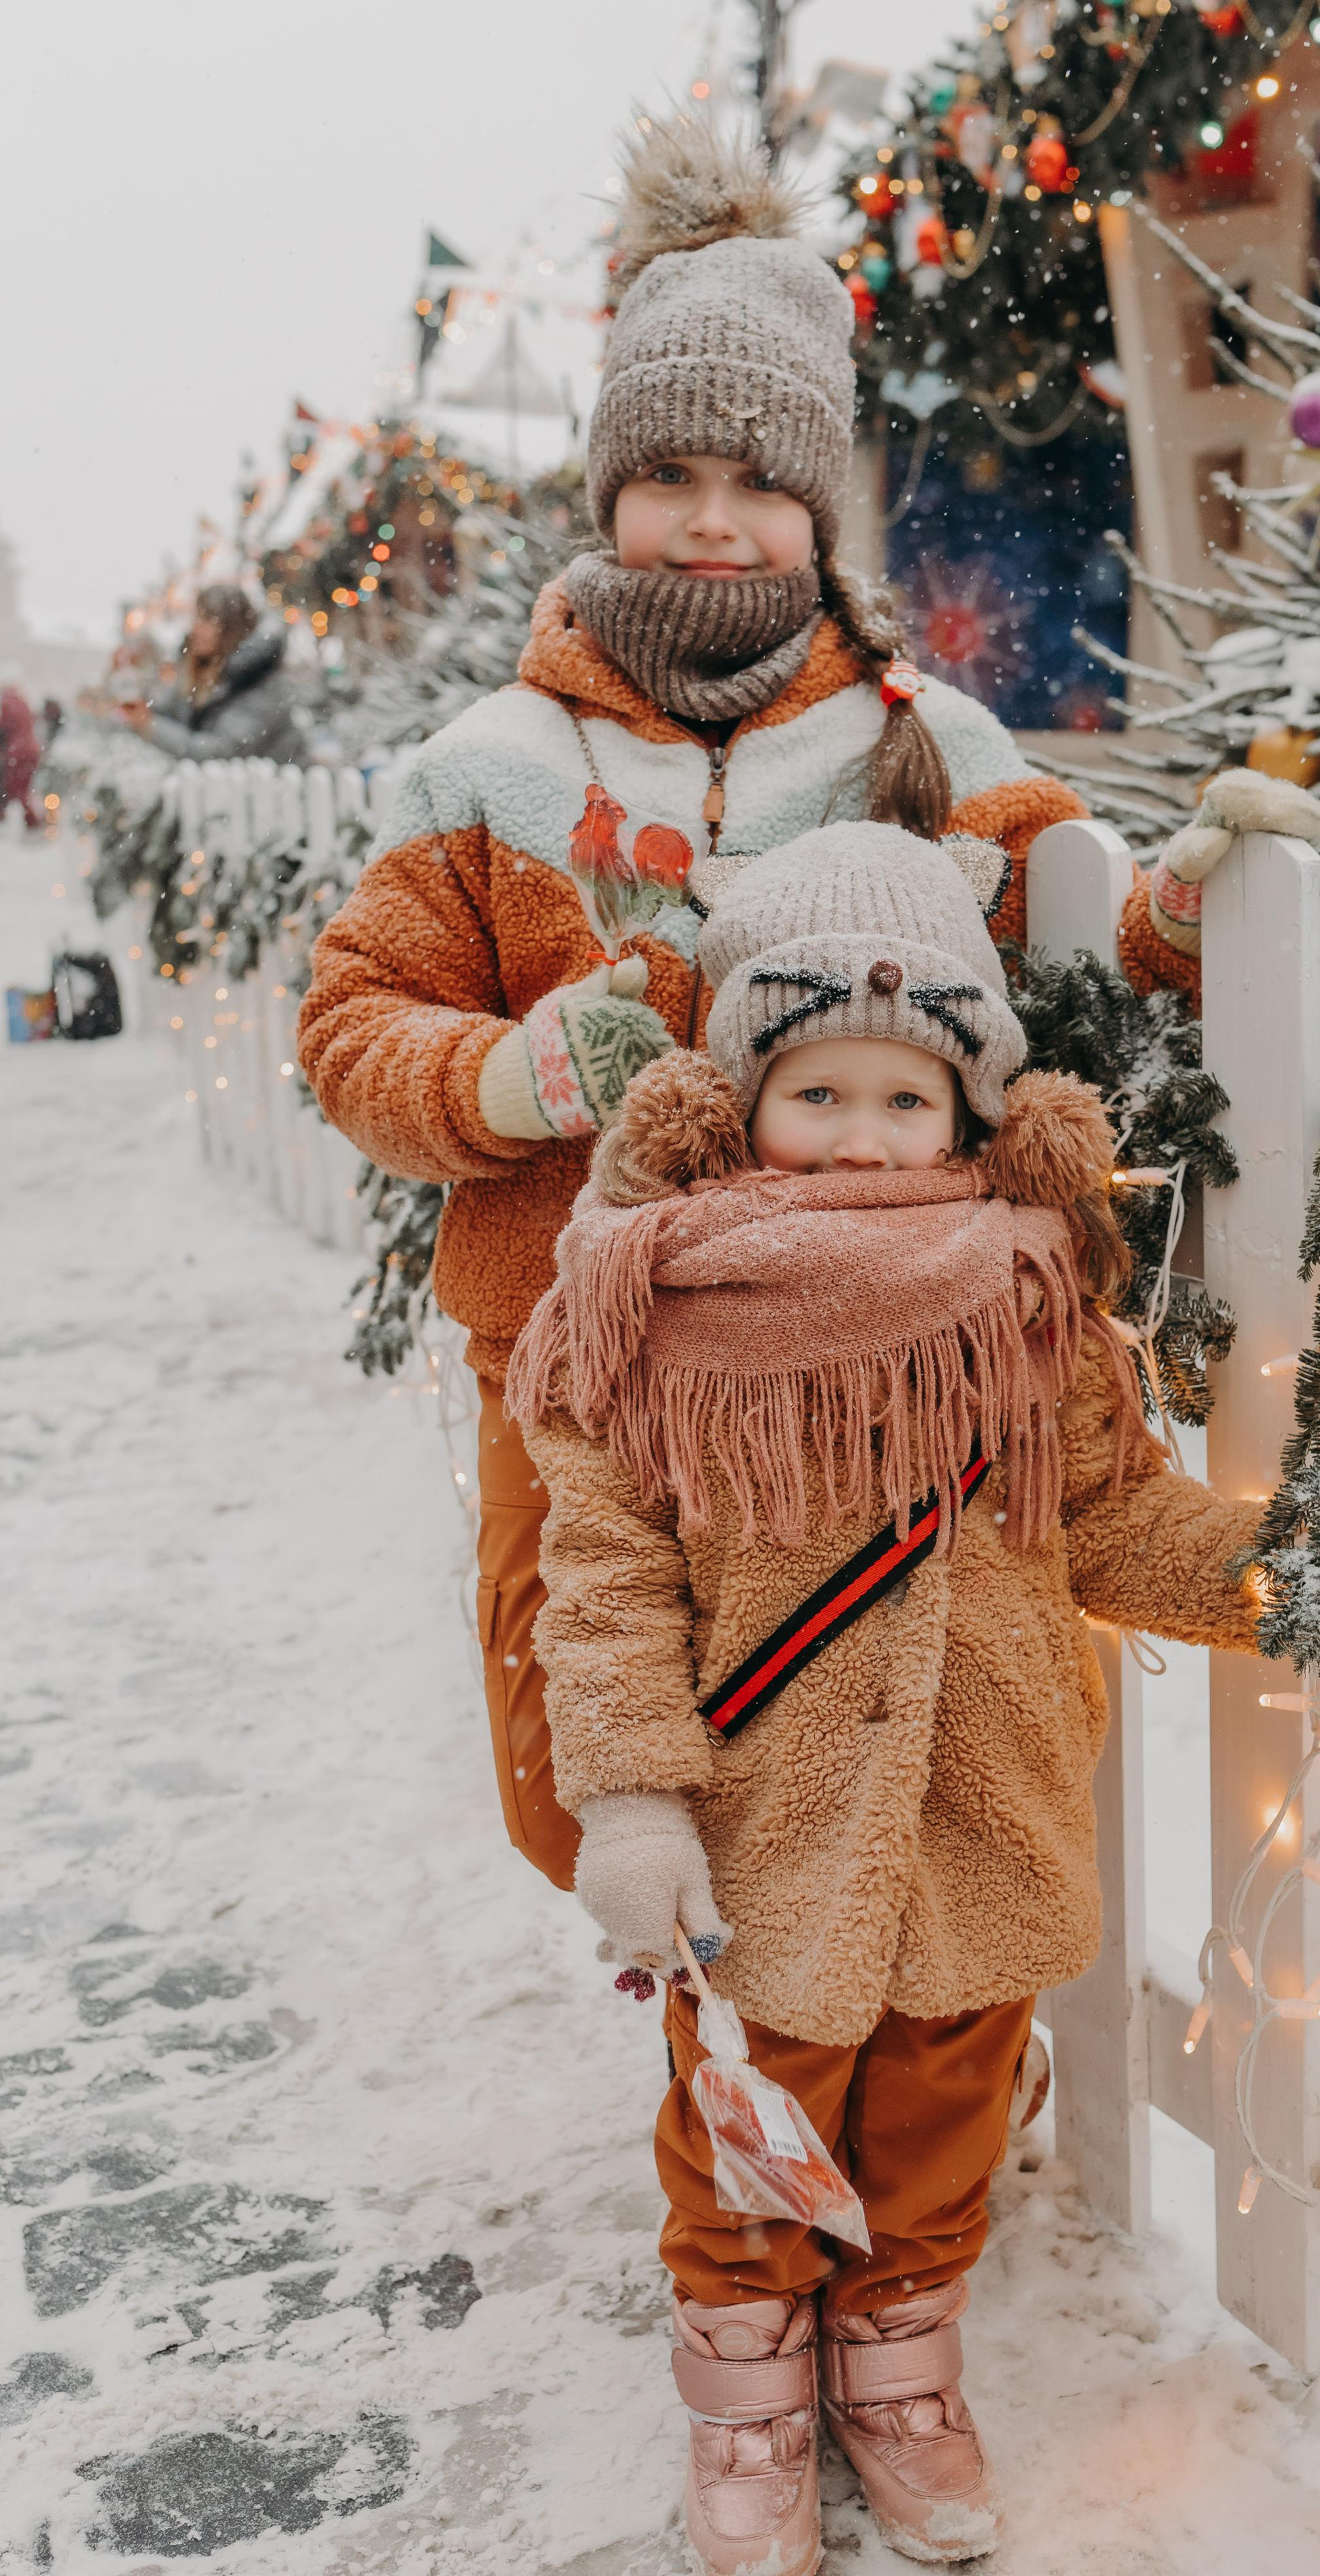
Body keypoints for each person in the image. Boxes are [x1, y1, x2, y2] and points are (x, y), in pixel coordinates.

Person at [296, 115, 1101, 1894]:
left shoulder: (919, 741)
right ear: (608, 495)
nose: (716, 520)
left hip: (858, 1337)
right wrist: (505, 1077)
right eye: (672, 476)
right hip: (569, 1359)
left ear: (818, 505)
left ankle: (829, 2087)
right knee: (572, 1777)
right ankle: (746, 2078)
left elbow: (1073, 915)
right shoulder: (498, 768)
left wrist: (1197, 906)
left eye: (762, 479)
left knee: (839, 1751)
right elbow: (355, 1024)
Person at [506, 821, 1264, 2576]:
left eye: (904, 1099)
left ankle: (901, 2364)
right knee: (749, 2130)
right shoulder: (647, 1304)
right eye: (816, 1090)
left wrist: (1298, 1574)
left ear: (972, 1109)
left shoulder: (1030, 1296)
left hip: (985, 1802)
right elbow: (606, 1584)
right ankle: (752, 2404)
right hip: (764, 1830)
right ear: (737, 1095)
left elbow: (1110, 1515)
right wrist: (631, 1802)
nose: (859, 1134)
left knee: (938, 2110)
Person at [119, 581, 306, 764]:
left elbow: (221, 752)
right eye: (196, 618)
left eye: (207, 620)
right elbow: (172, 712)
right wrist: (137, 706)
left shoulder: (261, 685)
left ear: (231, 629)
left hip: (272, 790)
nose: (195, 628)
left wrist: (151, 726)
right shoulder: (203, 672)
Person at [0, 679, 43, 828]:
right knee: (23, 790)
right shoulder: (23, 702)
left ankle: (33, 823)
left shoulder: (7, 702)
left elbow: (4, 726)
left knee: (15, 789)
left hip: (17, 753)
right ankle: (33, 821)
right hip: (31, 750)